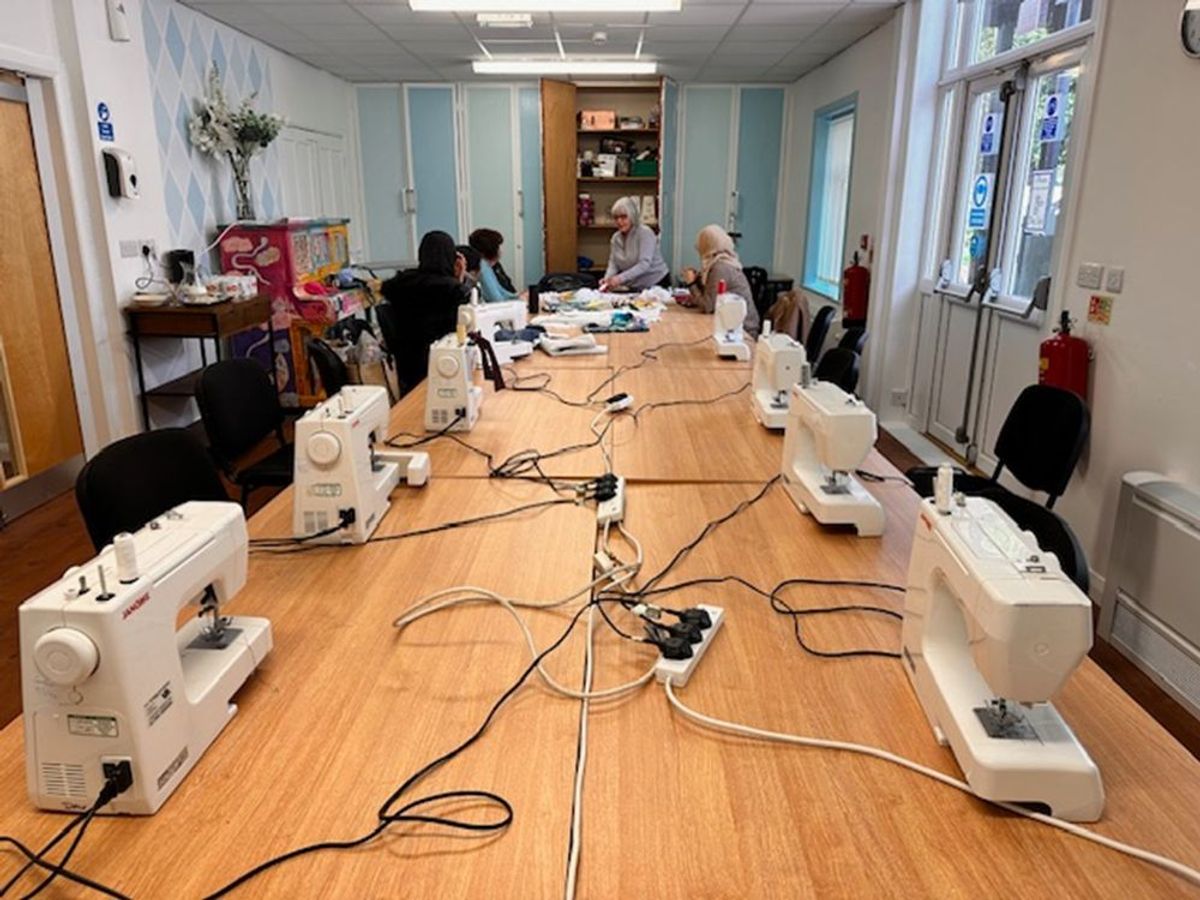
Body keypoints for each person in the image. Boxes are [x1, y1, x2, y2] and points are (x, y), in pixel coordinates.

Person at [380, 231, 470, 390]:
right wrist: (460, 277)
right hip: (443, 363)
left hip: (407, 365)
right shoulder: (453, 290)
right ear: (452, 258)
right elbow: (459, 330)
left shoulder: (399, 285)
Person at [679, 224, 760, 339]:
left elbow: (708, 306)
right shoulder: (721, 262)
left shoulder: (720, 268)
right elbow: (710, 294)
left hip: (744, 330)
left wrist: (691, 283)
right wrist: (697, 280)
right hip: (733, 324)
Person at [598, 197, 668, 292]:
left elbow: (644, 264)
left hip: (656, 283)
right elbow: (613, 263)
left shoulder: (645, 233)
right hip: (635, 285)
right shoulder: (616, 238)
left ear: (632, 216)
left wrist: (619, 278)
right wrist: (607, 280)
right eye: (616, 218)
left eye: (623, 217)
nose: (619, 221)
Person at [468, 228, 525, 303]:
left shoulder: (488, 266)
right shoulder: (482, 268)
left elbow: (501, 291)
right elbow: (497, 300)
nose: (500, 250)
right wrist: (519, 299)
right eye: (498, 247)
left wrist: (518, 296)